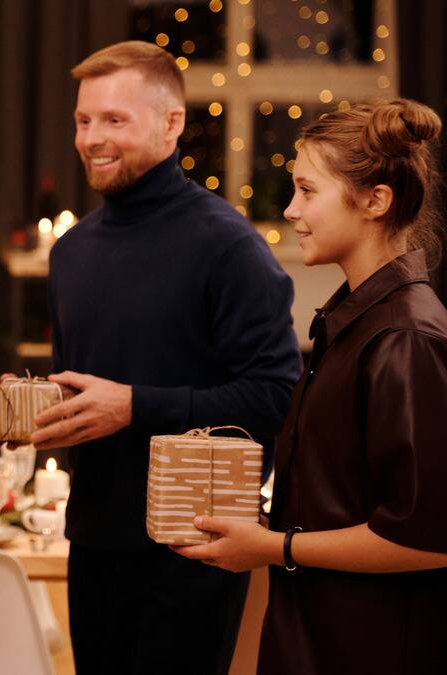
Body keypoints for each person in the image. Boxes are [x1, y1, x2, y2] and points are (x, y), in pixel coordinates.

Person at [0, 41, 302, 674]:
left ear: (171, 123)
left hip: (193, 544)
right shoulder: (72, 252)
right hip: (92, 538)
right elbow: (88, 392)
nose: (92, 137)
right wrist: (29, 412)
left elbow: (278, 395)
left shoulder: (228, 246)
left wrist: (135, 406)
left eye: (114, 120)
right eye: (83, 120)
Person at [176, 99, 447, 674]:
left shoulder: (405, 337)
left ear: (375, 201)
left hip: (371, 648)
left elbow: (429, 539)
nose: (291, 209)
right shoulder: (351, 321)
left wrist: (272, 546)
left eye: (307, 190)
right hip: (316, 640)